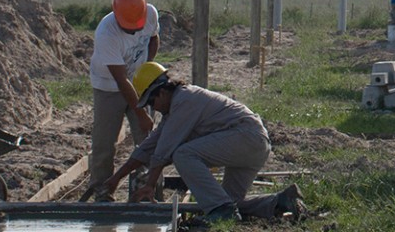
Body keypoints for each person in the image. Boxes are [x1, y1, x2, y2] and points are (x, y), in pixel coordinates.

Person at [94, 63, 270, 222]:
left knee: (183, 154)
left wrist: (149, 185)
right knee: (231, 202)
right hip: (251, 145)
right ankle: (279, 201)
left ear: (162, 92)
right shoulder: (174, 109)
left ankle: (221, 210)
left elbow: (164, 151)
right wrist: (116, 178)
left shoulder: (185, 100)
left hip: (247, 138)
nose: (152, 108)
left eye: (151, 102)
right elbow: (150, 146)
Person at [86, 0, 160, 200]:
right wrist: (141, 114)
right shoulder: (106, 33)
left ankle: (143, 188)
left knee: (146, 139)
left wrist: (146, 69)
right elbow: (121, 81)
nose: (133, 31)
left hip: (137, 82)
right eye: (128, 28)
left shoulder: (151, 14)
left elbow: (153, 39)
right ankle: (102, 189)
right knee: (104, 141)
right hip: (108, 86)